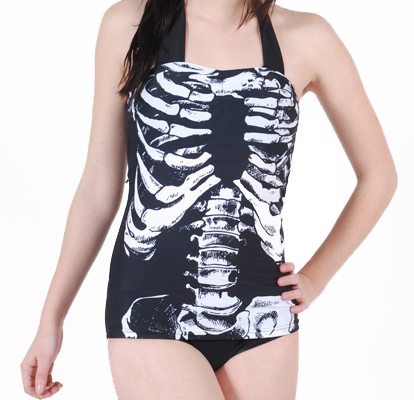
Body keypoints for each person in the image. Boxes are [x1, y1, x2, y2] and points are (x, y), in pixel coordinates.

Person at [20, 0, 397, 399]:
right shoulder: (128, 25)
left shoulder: (307, 36)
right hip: (151, 309)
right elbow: (99, 188)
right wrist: (52, 319)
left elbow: (379, 176)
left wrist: (315, 279)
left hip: (264, 316)